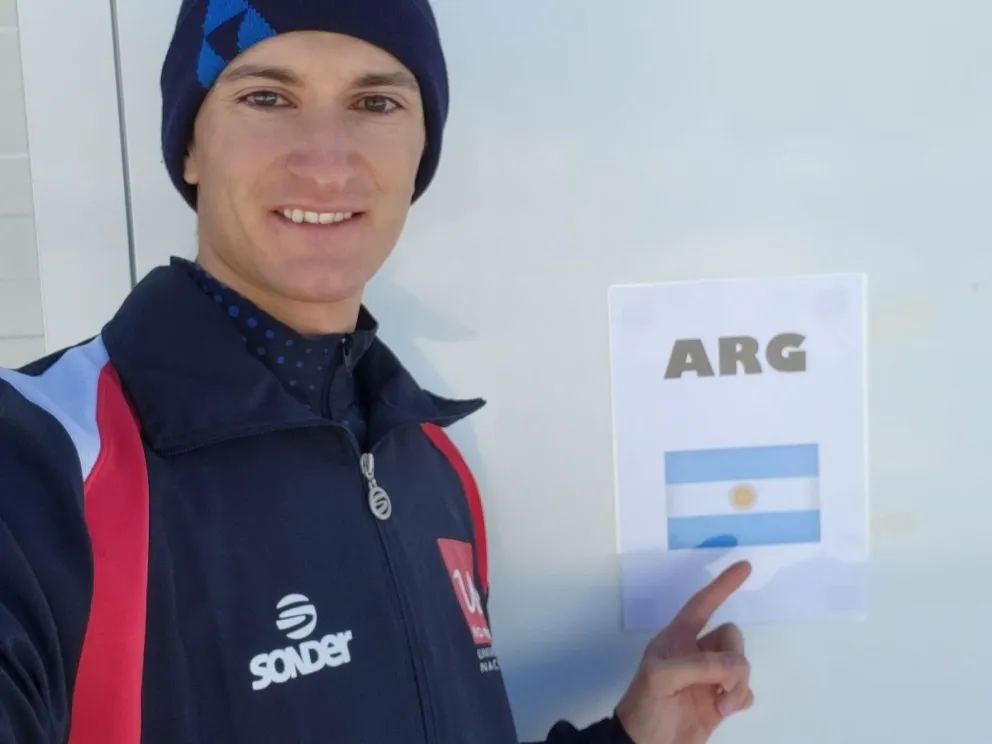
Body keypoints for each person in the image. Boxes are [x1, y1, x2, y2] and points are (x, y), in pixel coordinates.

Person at [0, 0, 754, 741]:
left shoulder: (430, 463)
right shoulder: (42, 459)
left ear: (421, 149)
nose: (326, 162)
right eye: (266, 96)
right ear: (191, 145)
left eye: (375, 101)